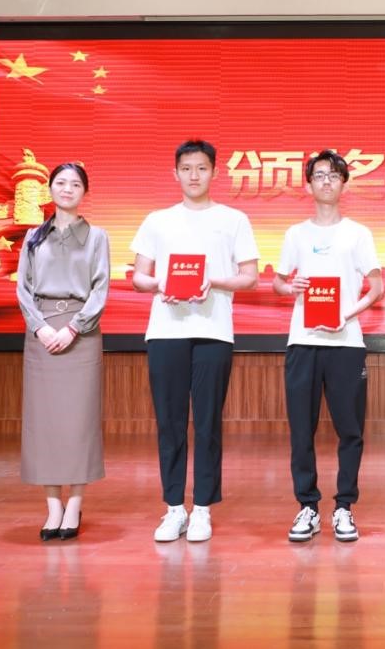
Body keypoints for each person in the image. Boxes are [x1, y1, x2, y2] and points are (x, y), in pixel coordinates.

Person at [130, 140, 259, 542]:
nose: (194, 175)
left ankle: (202, 508)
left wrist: (212, 282)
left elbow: (250, 276)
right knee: (169, 423)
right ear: (175, 173)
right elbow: (138, 276)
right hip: (166, 331)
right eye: (186, 168)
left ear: (214, 172)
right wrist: (160, 284)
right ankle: (174, 508)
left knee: (207, 422)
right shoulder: (157, 220)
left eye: (201, 168)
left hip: (213, 332)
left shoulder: (233, 219)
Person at [273, 150, 384, 543]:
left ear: (343, 184)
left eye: (333, 175)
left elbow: (376, 287)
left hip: (346, 343)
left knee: (350, 430)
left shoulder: (358, 233)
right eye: (319, 175)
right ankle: (307, 506)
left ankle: (344, 507)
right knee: (301, 429)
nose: (326, 181)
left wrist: (345, 315)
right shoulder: (295, 234)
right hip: (303, 342)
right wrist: (290, 287)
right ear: (309, 185)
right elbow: (278, 282)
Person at [16, 162, 110, 541]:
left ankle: (75, 503)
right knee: (45, 422)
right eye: (60, 183)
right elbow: (23, 289)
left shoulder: (97, 236)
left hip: (80, 334)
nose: (67, 189)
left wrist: (73, 327)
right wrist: (40, 327)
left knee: (78, 421)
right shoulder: (33, 237)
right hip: (40, 334)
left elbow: (100, 289)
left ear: (85, 192)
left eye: (75, 184)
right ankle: (53, 506)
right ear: (50, 189)